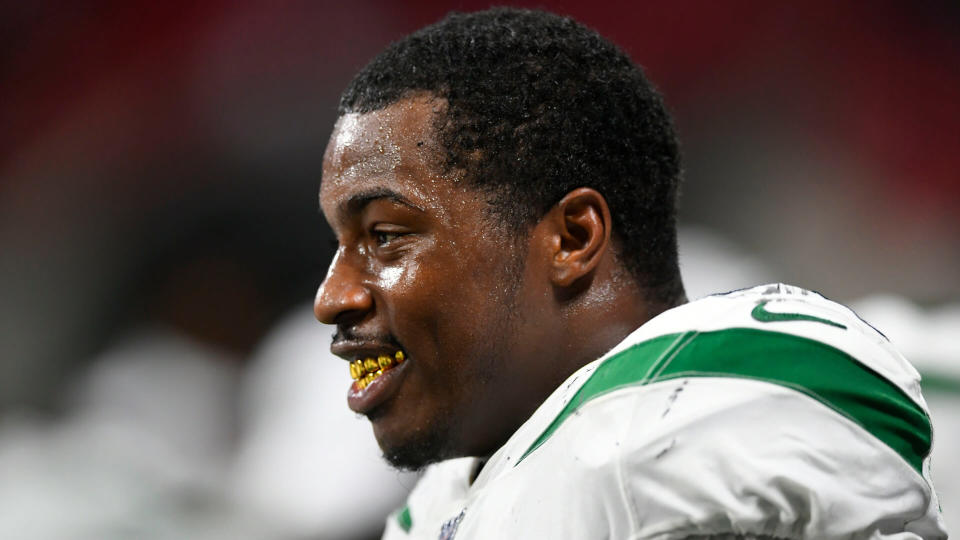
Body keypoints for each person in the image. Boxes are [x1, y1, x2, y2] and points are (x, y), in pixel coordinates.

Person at [313, 8, 948, 539]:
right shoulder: (437, 505)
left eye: (386, 236)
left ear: (572, 237)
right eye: (340, 245)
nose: (331, 298)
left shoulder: (694, 400)